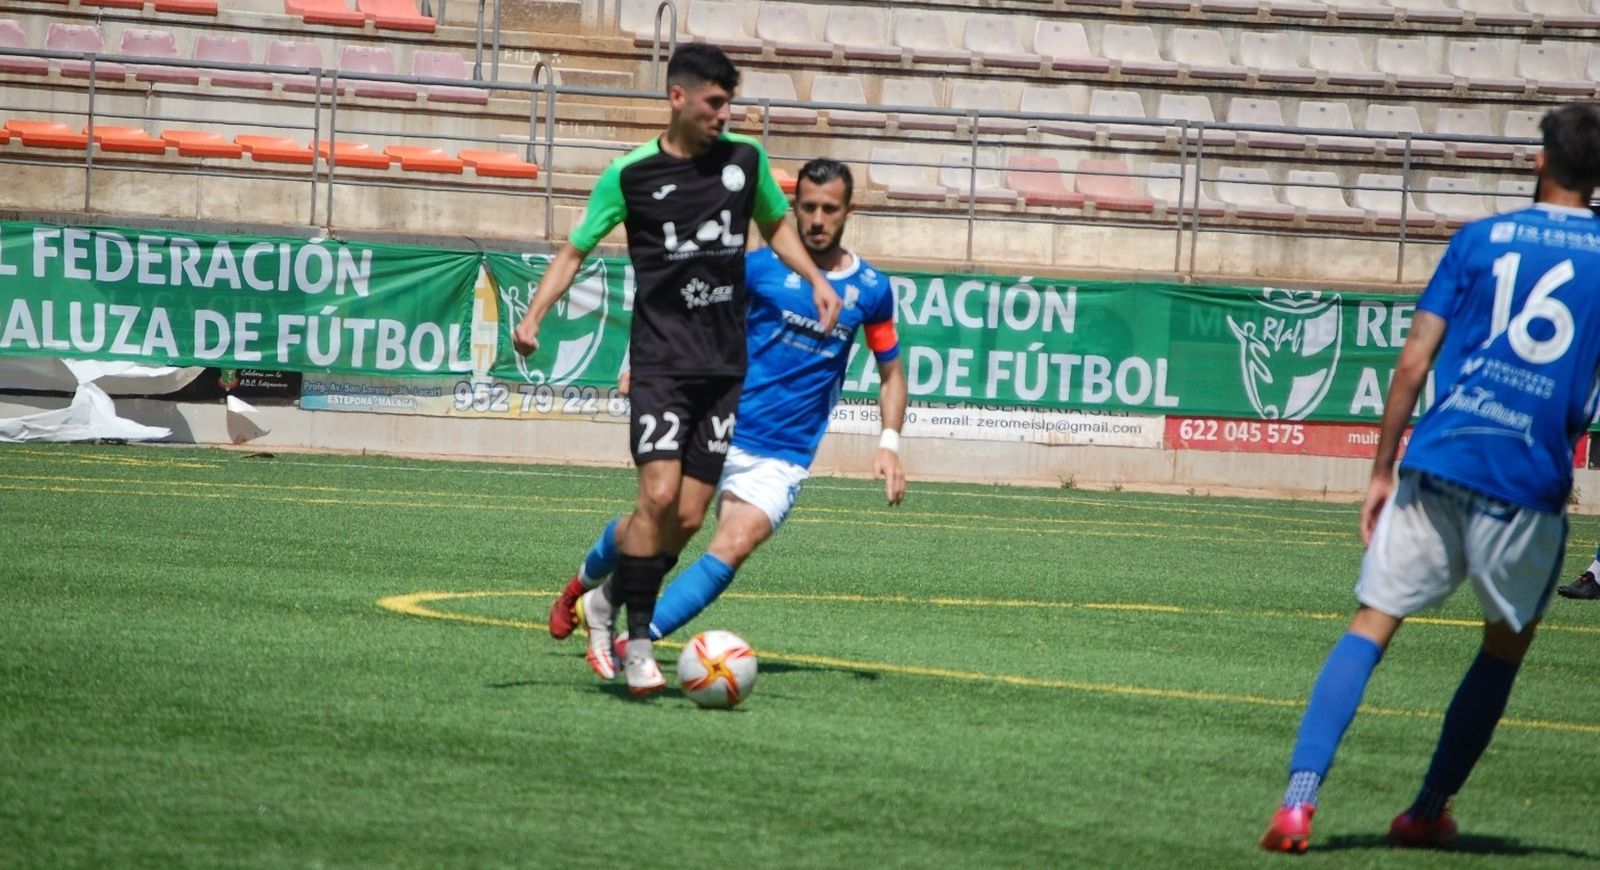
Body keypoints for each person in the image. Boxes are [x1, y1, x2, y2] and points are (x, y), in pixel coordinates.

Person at [1260, 102, 1600, 853]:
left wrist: (1381, 470)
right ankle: (1426, 809)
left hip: (1441, 458)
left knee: (1370, 626)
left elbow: (1413, 361)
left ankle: (1297, 804)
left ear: (1540, 160)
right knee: (1504, 648)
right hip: (1527, 480)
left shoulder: (1478, 240)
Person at [511, 45, 841, 697]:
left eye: (729, 104)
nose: (725, 115)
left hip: (723, 368)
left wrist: (815, 280)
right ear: (678, 98)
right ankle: (635, 646)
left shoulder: (746, 161)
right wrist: (534, 316)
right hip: (660, 362)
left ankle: (602, 599)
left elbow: (776, 225)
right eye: (714, 103)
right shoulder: (630, 175)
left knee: (686, 519)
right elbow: (574, 251)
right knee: (657, 498)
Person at [547, 158, 907, 660]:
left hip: (783, 452)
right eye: (807, 208)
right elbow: (684, 310)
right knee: (655, 530)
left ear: (850, 210)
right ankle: (579, 589)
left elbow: (892, 373)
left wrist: (889, 443)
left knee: (734, 545)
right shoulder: (758, 269)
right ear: (792, 208)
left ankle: (633, 641)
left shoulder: (871, 289)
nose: (817, 219)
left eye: (829, 209)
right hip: (716, 424)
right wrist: (641, 363)